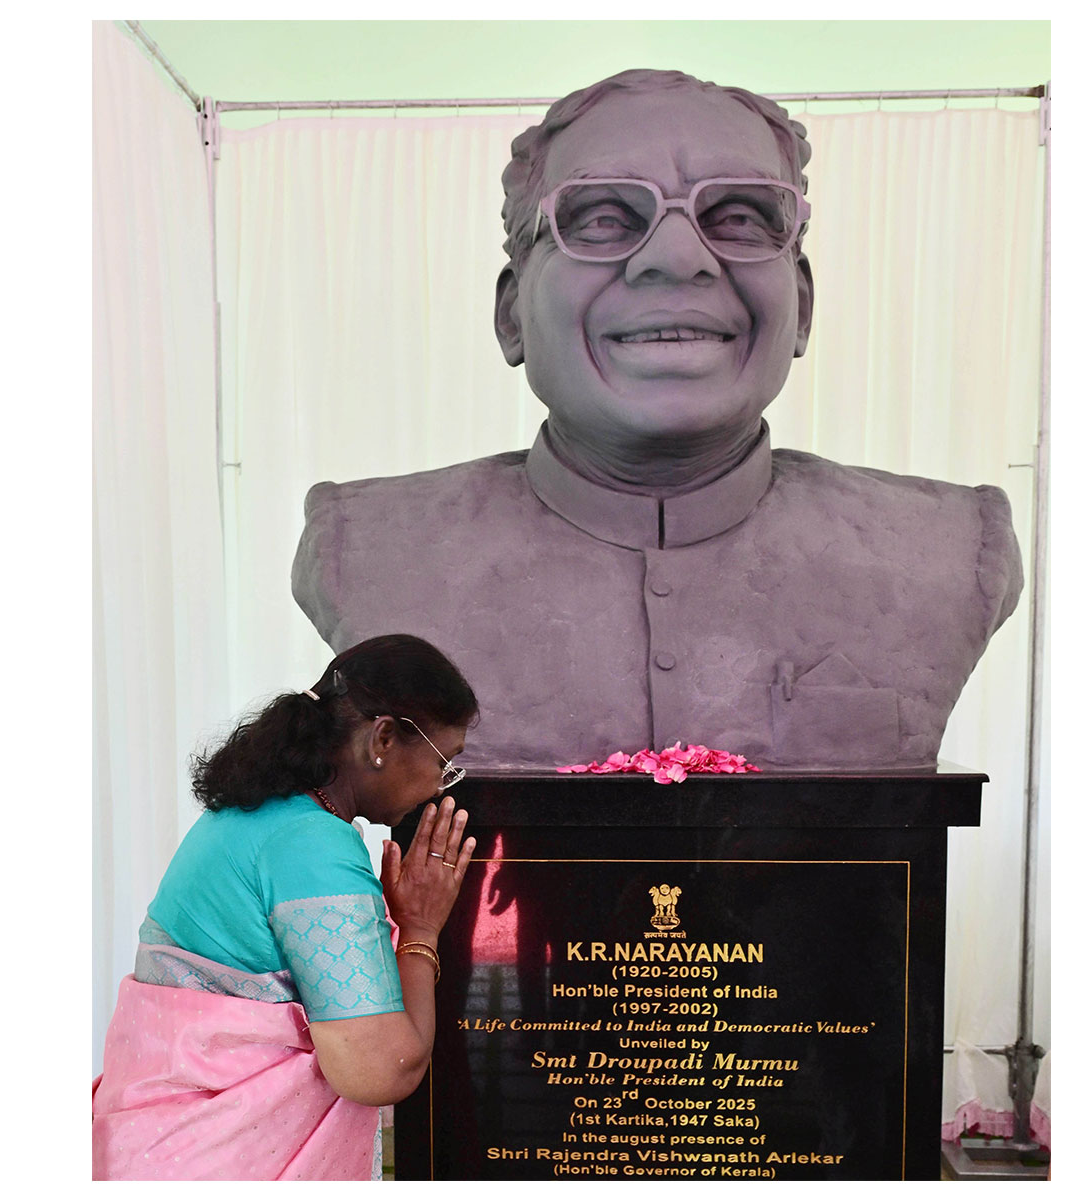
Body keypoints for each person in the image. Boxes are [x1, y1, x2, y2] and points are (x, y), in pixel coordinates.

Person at [293, 69, 1022, 771]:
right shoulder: (365, 546)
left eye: (739, 219)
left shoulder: (953, 550)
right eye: (603, 220)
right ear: (511, 314)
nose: (677, 258)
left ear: (803, 306)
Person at [91, 634, 479, 1180]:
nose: (440, 788)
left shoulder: (249, 813)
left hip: (155, 1150)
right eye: (444, 762)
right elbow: (377, 1070)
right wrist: (420, 929)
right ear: (384, 739)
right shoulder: (312, 844)